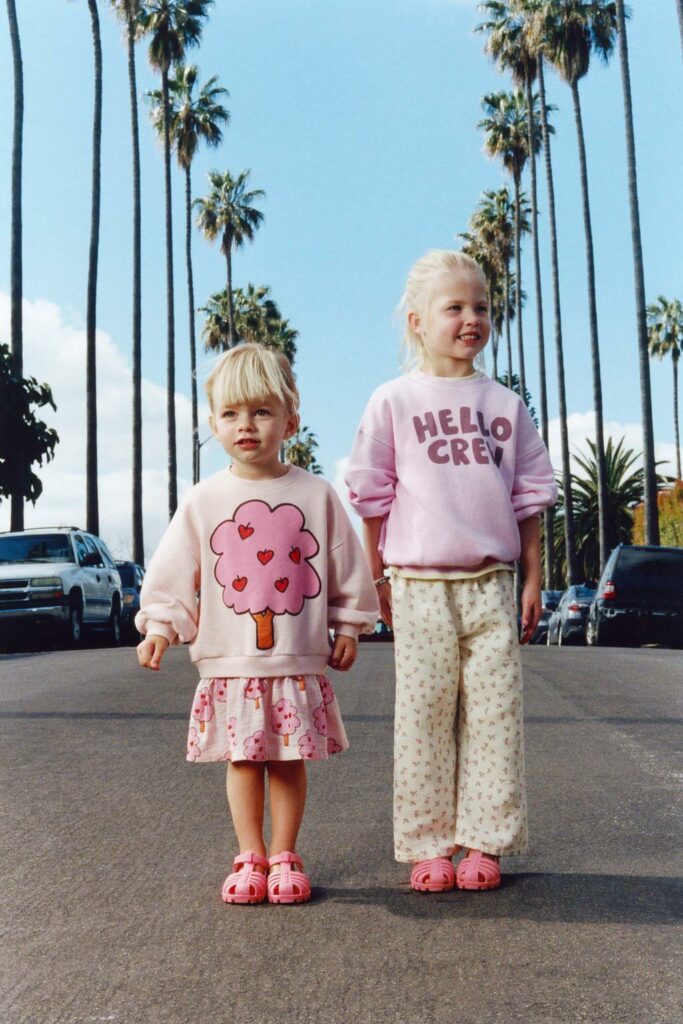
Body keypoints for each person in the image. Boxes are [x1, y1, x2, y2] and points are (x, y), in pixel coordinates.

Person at [345, 250, 557, 893]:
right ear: (417, 321)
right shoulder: (393, 401)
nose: (472, 319)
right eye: (455, 307)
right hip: (418, 585)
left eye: (482, 307)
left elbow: (528, 498)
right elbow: (371, 497)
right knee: (424, 716)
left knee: (495, 717)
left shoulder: (505, 405)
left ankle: (485, 843)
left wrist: (532, 578)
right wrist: (377, 576)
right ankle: (430, 844)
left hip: (491, 583)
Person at [136, 344, 379, 905]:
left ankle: (285, 854)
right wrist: (161, 627)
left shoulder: (315, 494)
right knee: (244, 759)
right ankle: (250, 853)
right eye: (231, 414)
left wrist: (347, 625)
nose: (245, 425)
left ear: (290, 420)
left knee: (289, 761)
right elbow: (175, 571)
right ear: (213, 424)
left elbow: (345, 565)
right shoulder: (204, 500)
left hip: (294, 660)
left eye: (262, 412)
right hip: (231, 664)